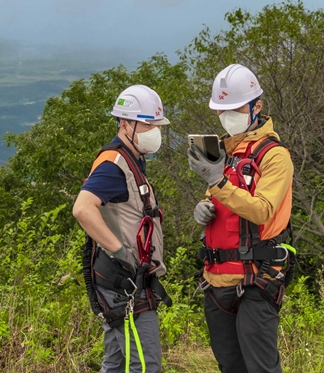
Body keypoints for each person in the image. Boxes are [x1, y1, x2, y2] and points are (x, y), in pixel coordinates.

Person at [187, 64, 294, 373]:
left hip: (256, 279)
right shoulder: (226, 152)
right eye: (222, 111)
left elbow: (261, 210)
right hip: (217, 278)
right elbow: (222, 202)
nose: (227, 116)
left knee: (260, 368)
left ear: (256, 106)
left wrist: (216, 183)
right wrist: (204, 207)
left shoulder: (275, 156)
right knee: (230, 367)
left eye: (234, 109)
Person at [74, 84, 171, 373]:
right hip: (125, 284)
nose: (155, 131)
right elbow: (82, 208)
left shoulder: (131, 160)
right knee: (145, 366)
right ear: (125, 124)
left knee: (115, 364)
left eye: (157, 125)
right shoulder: (114, 164)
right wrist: (120, 251)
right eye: (148, 124)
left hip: (123, 281)